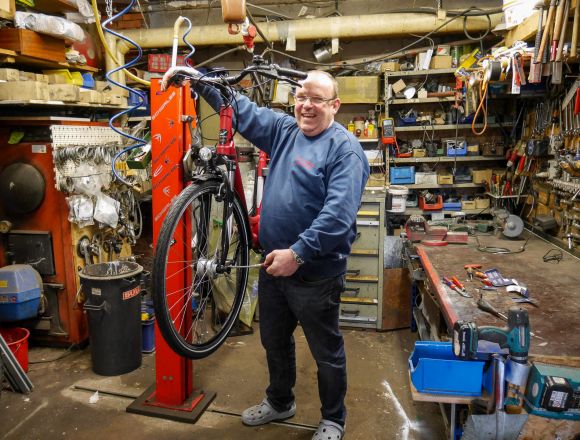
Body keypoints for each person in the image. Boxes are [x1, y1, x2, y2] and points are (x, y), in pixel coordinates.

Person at [162, 67, 369, 440]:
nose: (306, 106)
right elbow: (238, 108)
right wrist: (197, 79)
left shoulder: (345, 150)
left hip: (315, 274)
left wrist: (298, 253)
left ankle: (334, 418)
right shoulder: (285, 131)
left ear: (334, 105)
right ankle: (279, 401)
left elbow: (337, 217)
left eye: (317, 100)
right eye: (301, 97)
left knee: (326, 352)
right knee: (274, 340)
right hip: (274, 266)